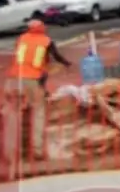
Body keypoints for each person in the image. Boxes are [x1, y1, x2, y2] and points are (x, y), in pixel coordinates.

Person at [4, 20, 72, 162]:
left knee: (12, 115)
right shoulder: (46, 41)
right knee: (38, 111)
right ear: (43, 29)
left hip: (13, 79)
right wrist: (67, 64)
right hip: (31, 79)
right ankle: (37, 150)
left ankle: (10, 153)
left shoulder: (21, 39)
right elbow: (55, 58)